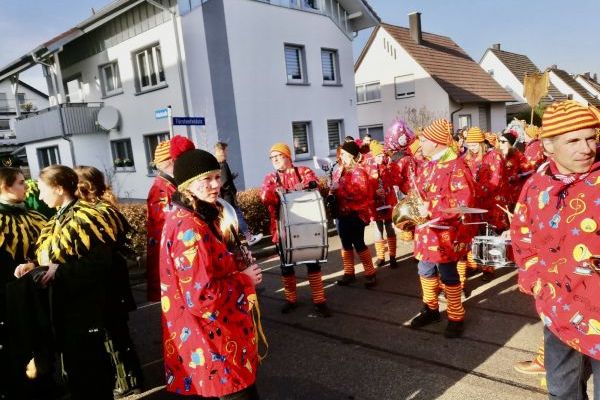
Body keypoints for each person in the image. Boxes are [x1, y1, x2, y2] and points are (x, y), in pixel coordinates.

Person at [510, 100, 600, 398]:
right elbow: (523, 236)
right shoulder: (536, 187)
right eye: (573, 140)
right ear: (548, 147)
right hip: (558, 307)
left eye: (590, 137)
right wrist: (535, 279)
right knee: (562, 391)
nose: (586, 148)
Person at [15, 165, 125, 399]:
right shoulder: (59, 216)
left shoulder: (86, 216)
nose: (40, 196)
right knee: (75, 373)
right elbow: (58, 255)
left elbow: (100, 264)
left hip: (85, 310)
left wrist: (60, 271)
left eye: (44, 190)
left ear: (59, 188)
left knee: (90, 373)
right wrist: (34, 265)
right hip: (65, 310)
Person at [160, 149, 262, 399]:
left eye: (217, 176)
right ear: (187, 185)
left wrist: (234, 261)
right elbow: (202, 296)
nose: (216, 184)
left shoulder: (194, 215)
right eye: (207, 179)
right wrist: (244, 279)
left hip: (208, 341)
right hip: (212, 344)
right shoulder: (190, 228)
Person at [74, 166, 143, 397]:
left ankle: (126, 381)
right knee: (118, 330)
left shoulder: (94, 211)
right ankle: (131, 377)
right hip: (115, 277)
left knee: (112, 332)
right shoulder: (106, 206)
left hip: (107, 280)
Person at [409, 119, 475, 338]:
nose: (420, 143)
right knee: (424, 270)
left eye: (424, 140)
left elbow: (465, 201)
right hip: (426, 230)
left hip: (446, 233)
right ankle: (431, 309)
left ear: (437, 143)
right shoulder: (429, 164)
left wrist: (431, 207)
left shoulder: (456, 165)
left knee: (447, 274)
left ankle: (456, 316)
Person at [260, 143, 331, 317]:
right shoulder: (271, 177)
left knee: (312, 264)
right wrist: (274, 192)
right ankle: (291, 299)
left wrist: (305, 185)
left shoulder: (303, 171)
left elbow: (315, 182)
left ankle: (319, 300)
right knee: (286, 267)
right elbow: (264, 196)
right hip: (282, 230)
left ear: (288, 156)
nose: (275, 160)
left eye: (278, 156)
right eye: (272, 158)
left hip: (307, 227)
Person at [0, 168, 47, 399]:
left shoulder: (36, 216)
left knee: (43, 337)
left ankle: (46, 380)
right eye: (20, 183)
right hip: (12, 292)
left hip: (40, 287)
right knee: (19, 342)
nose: (26, 187)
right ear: (4, 187)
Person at [146, 135, 194, 301]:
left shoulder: (169, 185)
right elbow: (166, 230)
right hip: (170, 258)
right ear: (171, 162)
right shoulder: (160, 190)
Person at [460, 126, 509, 283]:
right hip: (474, 203)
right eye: (470, 144)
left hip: (491, 203)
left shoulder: (494, 156)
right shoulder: (466, 159)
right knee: (474, 234)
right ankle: (474, 263)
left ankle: (488, 268)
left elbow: (495, 181)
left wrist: (474, 190)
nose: (472, 147)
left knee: (488, 235)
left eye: (475, 144)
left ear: (482, 143)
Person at [331, 141, 377, 288]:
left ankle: (370, 273)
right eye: (341, 154)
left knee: (359, 243)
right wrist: (332, 190)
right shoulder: (339, 170)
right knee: (345, 244)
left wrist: (340, 188)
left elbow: (360, 192)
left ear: (351, 155)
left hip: (356, 213)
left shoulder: (359, 171)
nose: (341, 156)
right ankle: (349, 273)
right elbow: (335, 188)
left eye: (343, 154)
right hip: (341, 213)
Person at [214, 142, 263, 246]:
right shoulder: (222, 164)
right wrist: (230, 187)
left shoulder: (218, 164)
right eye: (225, 150)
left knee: (234, 217)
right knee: (237, 216)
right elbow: (224, 182)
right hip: (228, 197)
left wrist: (231, 177)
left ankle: (236, 241)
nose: (227, 153)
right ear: (221, 151)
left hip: (226, 196)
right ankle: (249, 238)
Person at [368, 141, 400, 268]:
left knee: (390, 228)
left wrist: (387, 188)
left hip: (388, 201)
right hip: (376, 204)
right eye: (379, 156)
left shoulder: (388, 167)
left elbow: (395, 181)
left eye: (383, 156)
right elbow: (367, 186)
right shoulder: (369, 169)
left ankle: (392, 256)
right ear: (374, 156)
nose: (382, 158)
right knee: (378, 230)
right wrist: (374, 191)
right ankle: (381, 256)